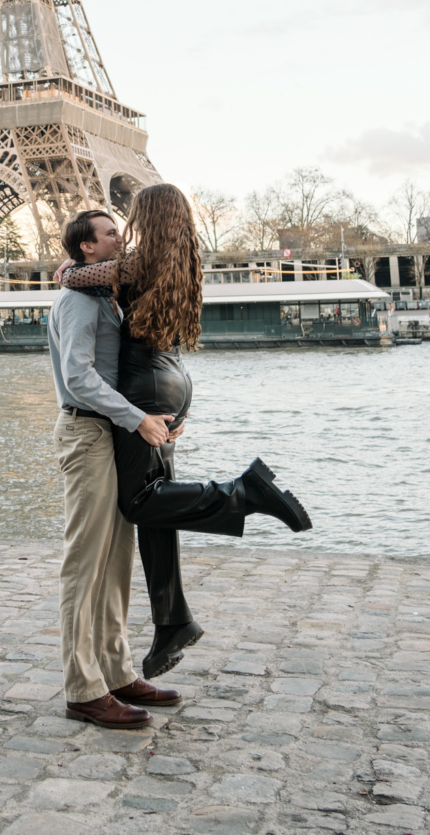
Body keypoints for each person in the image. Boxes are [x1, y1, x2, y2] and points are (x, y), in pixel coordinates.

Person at [59, 184, 313, 679]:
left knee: (139, 501)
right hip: (173, 379)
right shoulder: (182, 261)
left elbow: (76, 276)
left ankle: (242, 492)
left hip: (145, 386)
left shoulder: (134, 264)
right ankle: (172, 622)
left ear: (147, 218)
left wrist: (69, 268)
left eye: (130, 218)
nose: (124, 228)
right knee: (159, 504)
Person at [47, 208, 185, 728]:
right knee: (86, 563)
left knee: (117, 560)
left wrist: (158, 416)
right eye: (109, 234)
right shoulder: (80, 301)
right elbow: (78, 378)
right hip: (87, 433)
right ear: (86, 248)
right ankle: (83, 688)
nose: (118, 238)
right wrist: (138, 419)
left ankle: (117, 671)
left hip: (111, 432)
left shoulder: (104, 293)